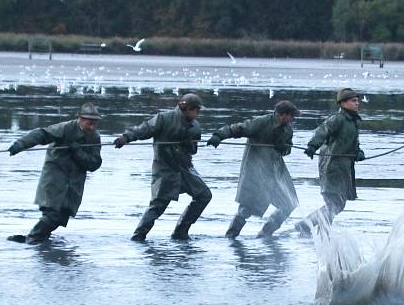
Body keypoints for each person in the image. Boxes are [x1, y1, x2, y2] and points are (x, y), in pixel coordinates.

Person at [114, 93, 211, 241]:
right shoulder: (163, 119)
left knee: (204, 195)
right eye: (196, 110)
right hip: (165, 169)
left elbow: (193, 151)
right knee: (158, 205)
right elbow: (143, 129)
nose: (198, 114)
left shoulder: (195, 126)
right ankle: (138, 236)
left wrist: (189, 144)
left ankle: (181, 231)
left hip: (185, 169)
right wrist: (126, 138)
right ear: (187, 108)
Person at [6, 103, 103, 244]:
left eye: (95, 124)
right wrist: (21, 144)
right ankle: (32, 240)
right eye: (89, 123)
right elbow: (42, 134)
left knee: (61, 217)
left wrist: (78, 152)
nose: (92, 127)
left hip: (73, 185)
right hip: (54, 180)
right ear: (80, 119)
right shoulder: (65, 128)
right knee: (52, 215)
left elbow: (94, 164)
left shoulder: (95, 138)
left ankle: (34, 238)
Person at [206, 101, 300, 239]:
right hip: (256, 173)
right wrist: (219, 135)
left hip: (277, 174)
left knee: (289, 204)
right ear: (282, 115)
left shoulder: (288, 129)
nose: (293, 119)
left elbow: (288, 149)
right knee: (246, 208)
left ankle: (265, 234)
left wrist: (284, 148)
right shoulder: (261, 122)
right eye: (291, 116)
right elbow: (239, 129)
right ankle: (230, 236)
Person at [295, 88, 365, 235]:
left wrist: (358, 152)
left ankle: (315, 230)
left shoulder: (353, 121)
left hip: (344, 167)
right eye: (354, 101)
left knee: (337, 204)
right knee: (335, 203)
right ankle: (313, 229)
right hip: (331, 166)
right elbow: (321, 131)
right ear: (343, 103)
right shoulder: (337, 119)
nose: (357, 103)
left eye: (357, 100)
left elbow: (352, 141)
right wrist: (312, 146)